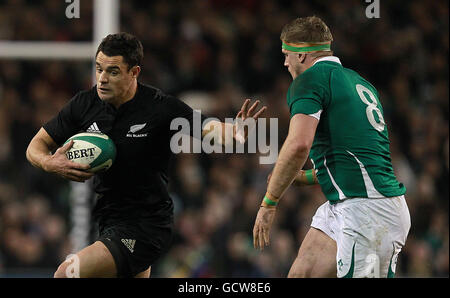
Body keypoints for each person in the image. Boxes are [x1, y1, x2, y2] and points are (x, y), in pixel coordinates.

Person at [26, 32, 266, 278]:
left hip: (147, 226)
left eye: (113, 71)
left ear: (134, 72)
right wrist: (49, 163)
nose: (102, 79)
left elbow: (210, 130)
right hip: (110, 220)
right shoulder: (84, 104)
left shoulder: (161, 108)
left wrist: (236, 131)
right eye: (98, 69)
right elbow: (36, 146)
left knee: (67, 273)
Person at [252, 16, 411, 278]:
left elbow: (298, 146)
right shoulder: (359, 82)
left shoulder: (309, 81)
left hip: (368, 212)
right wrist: (304, 176)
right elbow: (358, 158)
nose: (285, 63)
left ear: (302, 55)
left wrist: (269, 204)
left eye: (287, 54)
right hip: (352, 205)